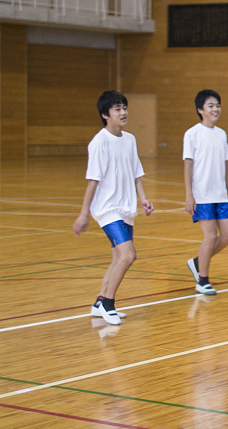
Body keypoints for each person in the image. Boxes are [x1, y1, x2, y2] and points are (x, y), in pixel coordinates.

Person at [72, 90, 154, 326]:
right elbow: (93, 180)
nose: (123, 112)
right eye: (117, 109)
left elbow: (136, 174)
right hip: (108, 210)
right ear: (105, 115)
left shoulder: (129, 139)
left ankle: (99, 304)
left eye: (124, 107)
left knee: (118, 257)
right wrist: (83, 214)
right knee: (128, 255)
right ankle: (109, 303)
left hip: (125, 208)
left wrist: (144, 199)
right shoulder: (99, 143)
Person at [183, 89, 228, 295]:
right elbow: (188, 165)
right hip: (202, 196)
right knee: (210, 237)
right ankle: (202, 280)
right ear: (200, 110)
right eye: (211, 106)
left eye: (217, 105)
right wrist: (189, 195)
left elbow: (224, 165)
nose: (215, 109)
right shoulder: (192, 133)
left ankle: (198, 262)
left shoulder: (221, 134)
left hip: (220, 195)